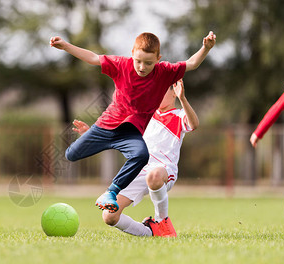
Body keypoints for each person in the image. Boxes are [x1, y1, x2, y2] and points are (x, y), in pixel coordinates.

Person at [50, 31, 216, 213]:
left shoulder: (165, 72)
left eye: (148, 63)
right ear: (132, 54)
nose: (142, 67)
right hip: (105, 126)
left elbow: (191, 63)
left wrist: (205, 48)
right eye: (138, 61)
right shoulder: (121, 64)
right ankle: (101, 143)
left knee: (141, 155)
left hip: (131, 132)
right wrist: (66, 46)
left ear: (158, 59)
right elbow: (94, 58)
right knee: (71, 155)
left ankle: (111, 191)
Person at [73, 79, 198, 237]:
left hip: (164, 170)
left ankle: (163, 222)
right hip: (140, 170)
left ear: (174, 91)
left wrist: (183, 99)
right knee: (109, 216)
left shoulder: (179, 115)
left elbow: (193, 124)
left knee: (154, 176)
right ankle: (150, 232)